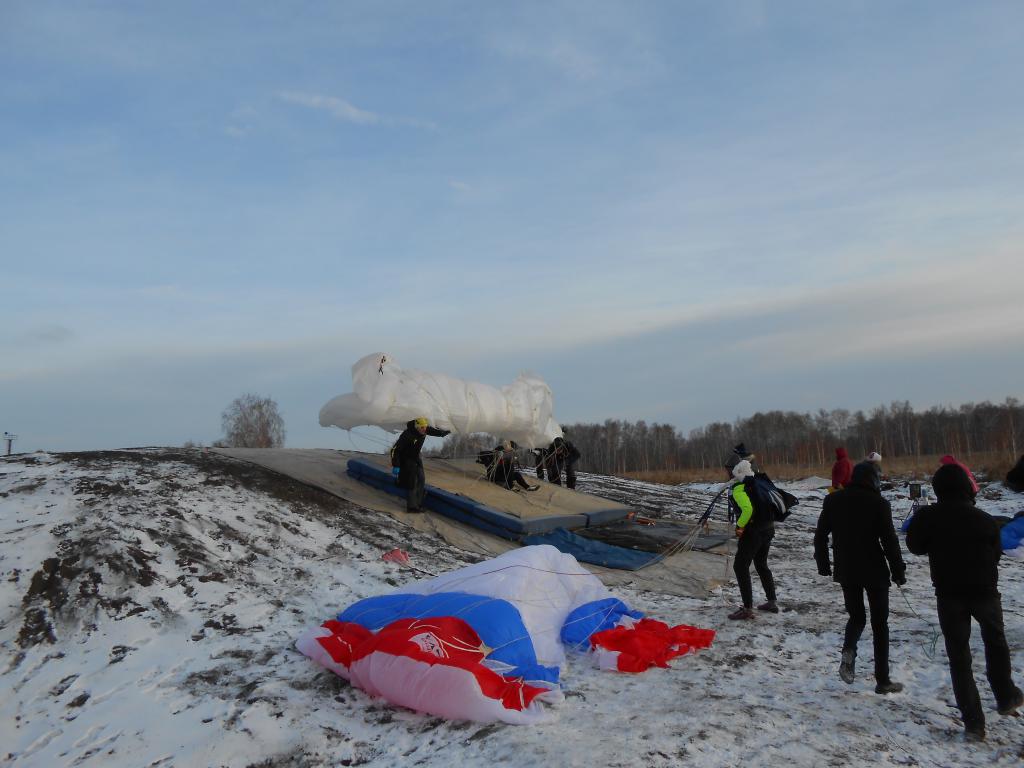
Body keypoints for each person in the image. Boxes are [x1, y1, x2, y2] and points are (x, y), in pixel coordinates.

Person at [905, 462, 1023, 742]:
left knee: (960, 659)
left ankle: (974, 723)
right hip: (985, 592)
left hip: (949, 595)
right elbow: (996, 553)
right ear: (966, 487)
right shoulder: (984, 519)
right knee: (996, 644)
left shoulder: (928, 517)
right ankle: (1005, 695)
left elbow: (915, 546)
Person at [814, 461, 906, 694]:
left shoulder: (834, 500)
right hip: (875, 570)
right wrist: (898, 570)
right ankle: (882, 680)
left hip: (846, 569)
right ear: (874, 479)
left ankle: (849, 649)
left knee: (856, 617)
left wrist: (823, 564)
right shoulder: (879, 504)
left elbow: (820, 536)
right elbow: (889, 540)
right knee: (880, 625)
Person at [726, 459, 778, 620]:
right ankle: (771, 601)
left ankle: (747, 608)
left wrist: (740, 526)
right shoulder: (757, 482)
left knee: (740, 566)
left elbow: (747, 510)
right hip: (768, 528)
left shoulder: (739, 488)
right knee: (761, 564)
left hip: (753, 532)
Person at [390, 417, 450, 513]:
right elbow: (395, 450)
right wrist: (396, 465)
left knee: (421, 479)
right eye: (422, 427)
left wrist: (445, 432)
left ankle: (418, 503)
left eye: (425, 427)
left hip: (416, 457)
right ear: (417, 427)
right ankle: (412, 507)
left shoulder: (424, 429)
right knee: (412, 481)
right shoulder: (407, 435)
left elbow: (435, 432)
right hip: (406, 459)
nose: (424, 429)